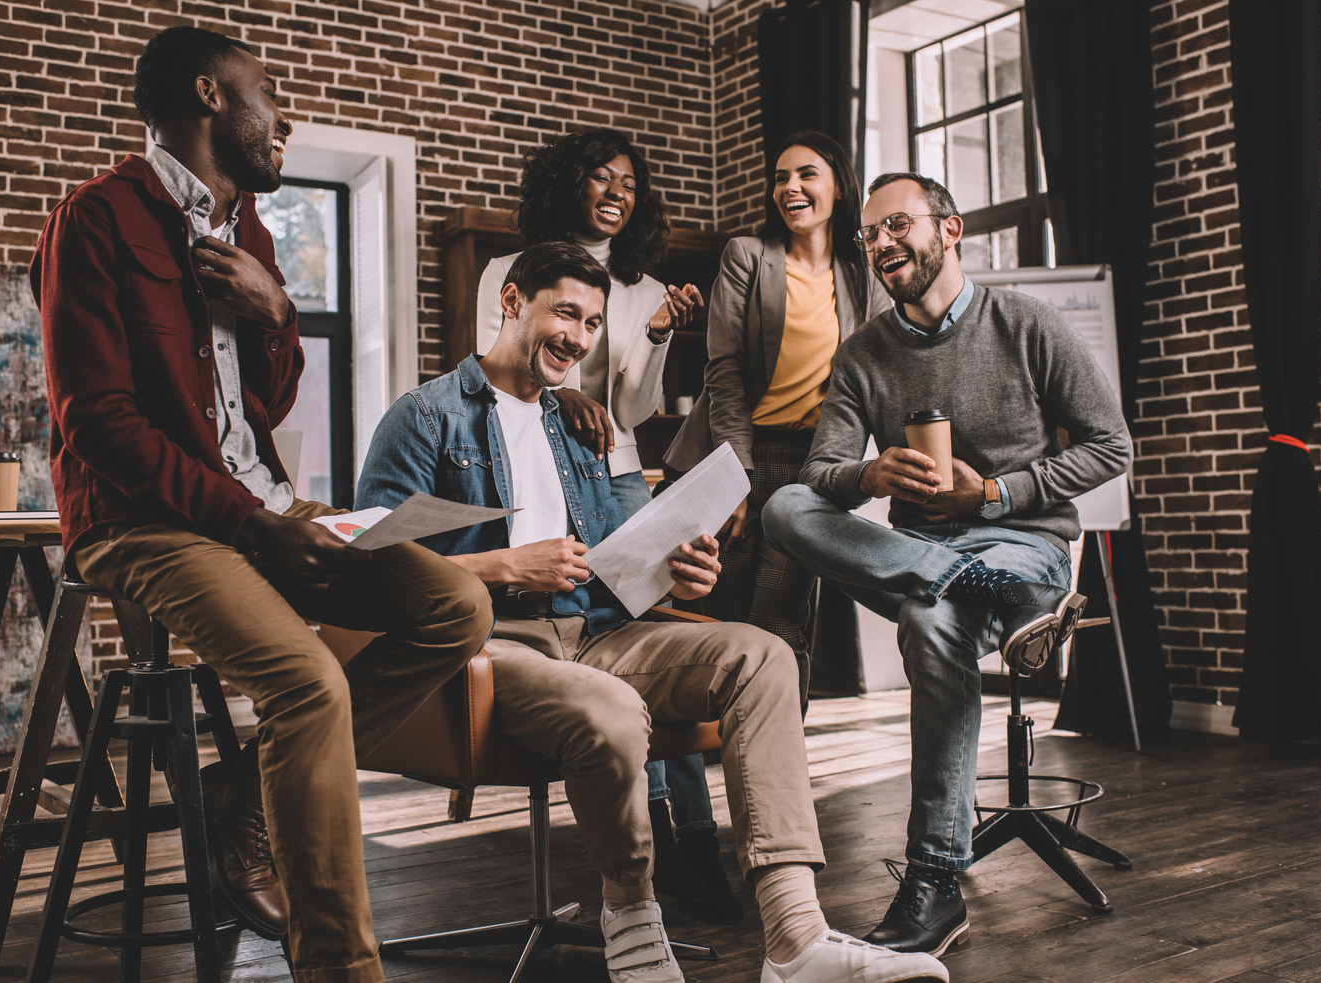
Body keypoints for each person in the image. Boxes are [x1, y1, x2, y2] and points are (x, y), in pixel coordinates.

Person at [30, 26, 493, 983]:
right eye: (267, 91)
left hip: (261, 503)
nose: (281, 115)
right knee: (308, 684)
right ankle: (339, 967)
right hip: (142, 522)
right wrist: (254, 528)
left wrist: (278, 311)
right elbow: (98, 424)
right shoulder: (99, 218)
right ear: (209, 95)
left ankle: (242, 793)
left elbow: (263, 405)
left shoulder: (248, 232)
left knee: (458, 603)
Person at [357, 240, 949, 983]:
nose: (579, 337)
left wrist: (676, 577)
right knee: (610, 705)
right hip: (490, 644)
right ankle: (633, 920)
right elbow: (369, 566)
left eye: (593, 322)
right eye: (565, 312)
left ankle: (796, 936)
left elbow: (612, 570)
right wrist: (506, 565)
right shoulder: (424, 418)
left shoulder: (576, 424)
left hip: (598, 633)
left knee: (762, 653)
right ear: (511, 303)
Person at [762, 172, 1132, 956]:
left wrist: (994, 491)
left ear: (950, 228)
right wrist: (870, 475)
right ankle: (982, 591)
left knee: (934, 623)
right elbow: (820, 473)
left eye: (898, 225)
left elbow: (1111, 445)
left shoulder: (1026, 324)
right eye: (871, 235)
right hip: (919, 553)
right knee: (783, 509)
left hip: (1018, 539)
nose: (883, 243)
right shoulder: (862, 355)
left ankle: (933, 880)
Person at [477, 128, 736, 924]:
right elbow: (487, 381)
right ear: (569, 184)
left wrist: (657, 334)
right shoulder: (503, 272)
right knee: (608, 653)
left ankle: (695, 838)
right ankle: (649, 836)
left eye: (630, 181)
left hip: (615, 473)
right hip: (535, 479)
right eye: (601, 177)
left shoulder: (643, 284)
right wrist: (563, 397)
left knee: (654, 642)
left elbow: (630, 410)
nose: (618, 191)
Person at [663, 130, 893, 703]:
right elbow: (725, 371)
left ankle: (776, 753)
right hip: (734, 450)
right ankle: (703, 755)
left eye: (806, 174)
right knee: (719, 611)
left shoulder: (864, 273)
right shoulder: (748, 255)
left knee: (783, 617)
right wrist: (734, 476)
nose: (790, 187)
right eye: (781, 177)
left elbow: (882, 370)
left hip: (812, 466)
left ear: (838, 187)